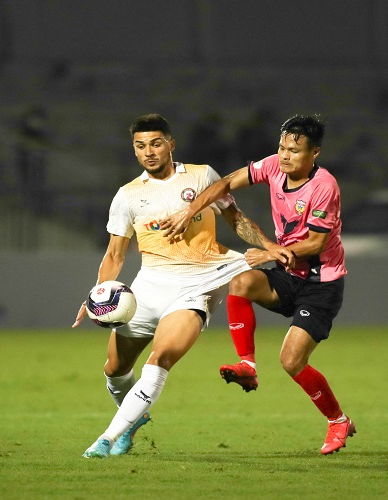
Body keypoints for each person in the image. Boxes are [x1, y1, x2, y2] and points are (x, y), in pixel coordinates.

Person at [72, 114, 290, 458]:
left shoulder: (202, 176)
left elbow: (236, 219)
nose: (149, 152)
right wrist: (98, 293)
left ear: (171, 144)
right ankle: (134, 420)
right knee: (114, 370)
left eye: (156, 143)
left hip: (197, 285)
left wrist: (268, 245)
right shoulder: (128, 195)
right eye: (140, 146)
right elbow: (115, 254)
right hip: (148, 288)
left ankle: (107, 439)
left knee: (159, 359)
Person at [161, 115, 355, 455]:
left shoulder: (324, 186)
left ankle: (338, 420)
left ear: (314, 153)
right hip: (288, 274)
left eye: (294, 150)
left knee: (291, 361)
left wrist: (268, 252)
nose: (285, 156)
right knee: (241, 283)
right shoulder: (272, 166)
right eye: (282, 148)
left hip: (320, 282)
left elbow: (316, 243)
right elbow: (225, 184)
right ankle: (248, 366)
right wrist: (188, 211)